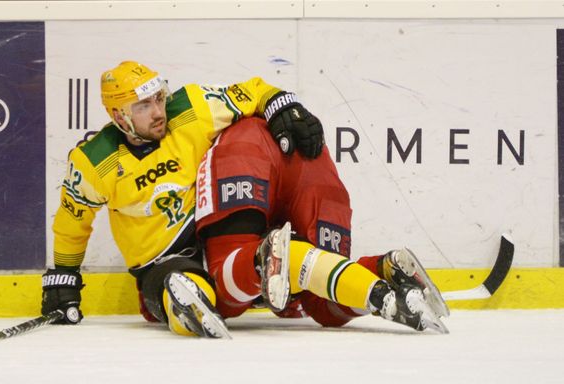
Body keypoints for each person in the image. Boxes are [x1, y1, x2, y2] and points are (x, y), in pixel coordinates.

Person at [40, 61, 324, 338]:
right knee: (170, 280)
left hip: (214, 238)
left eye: (159, 98)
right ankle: (182, 301)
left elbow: (252, 91)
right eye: (143, 105)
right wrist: (64, 277)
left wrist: (281, 106)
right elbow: (72, 224)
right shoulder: (93, 162)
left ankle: (253, 274)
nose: (158, 112)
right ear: (118, 116)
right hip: (161, 261)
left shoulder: (191, 107)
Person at [195, 115, 450, 333]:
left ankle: (263, 258)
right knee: (321, 302)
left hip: (249, 145)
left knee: (221, 289)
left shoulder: (174, 134)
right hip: (312, 155)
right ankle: (382, 268)